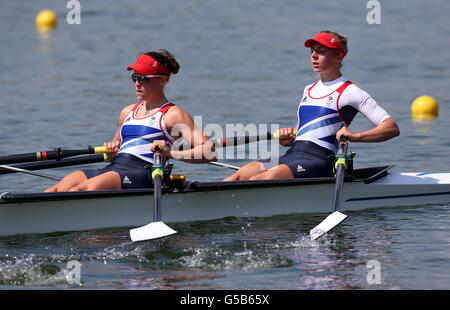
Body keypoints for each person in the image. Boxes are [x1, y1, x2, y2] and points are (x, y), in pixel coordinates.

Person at [224, 30, 400, 181]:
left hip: (319, 161)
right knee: (240, 175)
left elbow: (391, 127)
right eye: (312, 51)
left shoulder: (351, 92)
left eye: (321, 51)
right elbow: (302, 130)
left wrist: (356, 136)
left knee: (259, 179)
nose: (314, 56)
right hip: (292, 155)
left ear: (339, 56)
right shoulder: (308, 89)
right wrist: (288, 138)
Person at [46, 49, 216, 192]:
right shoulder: (127, 112)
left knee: (82, 189)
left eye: (143, 78)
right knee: (57, 189)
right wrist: (110, 151)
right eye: (134, 77)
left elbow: (210, 152)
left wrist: (171, 153)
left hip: (143, 173)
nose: (137, 83)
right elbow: (113, 154)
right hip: (114, 168)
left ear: (162, 80)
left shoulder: (173, 114)